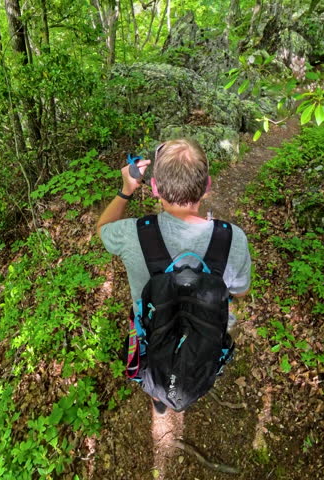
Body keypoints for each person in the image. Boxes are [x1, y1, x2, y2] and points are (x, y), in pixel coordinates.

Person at [96, 138, 251, 414]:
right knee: (200, 358)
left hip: (154, 334)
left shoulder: (133, 233)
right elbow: (239, 293)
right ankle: (192, 382)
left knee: (155, 360)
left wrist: (127, 189)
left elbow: (103, 228)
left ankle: (159, 397)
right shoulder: (233, 239)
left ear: (155, 189)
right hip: (206, 340)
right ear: (207, 187)